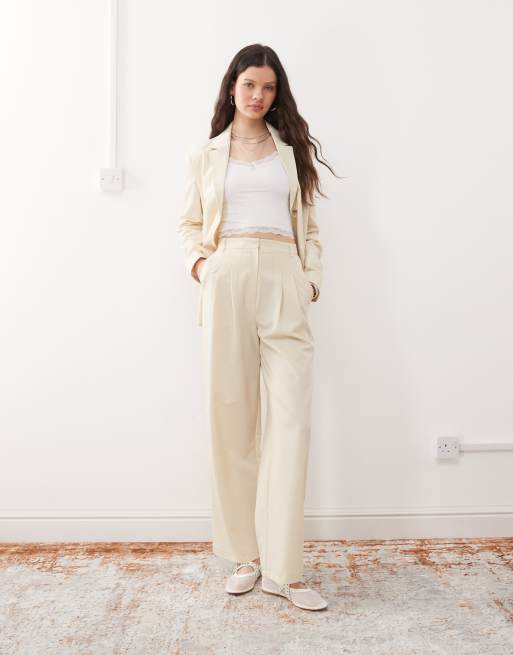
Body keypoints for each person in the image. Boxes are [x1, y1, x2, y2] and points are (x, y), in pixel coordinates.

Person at [177, 44, 340, 611]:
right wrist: (203, 267)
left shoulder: (291, 153)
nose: (258, 95)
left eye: (268, 87)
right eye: (249, 84)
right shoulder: (206, 155)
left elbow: (309, 229)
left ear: (277, 93)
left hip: (283, 276)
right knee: (232, 419)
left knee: (291, 422)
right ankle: (246, 555)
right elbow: (189, 224)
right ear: (232, 87)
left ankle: (285, 570)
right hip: (227, 275)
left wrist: (308, 281)